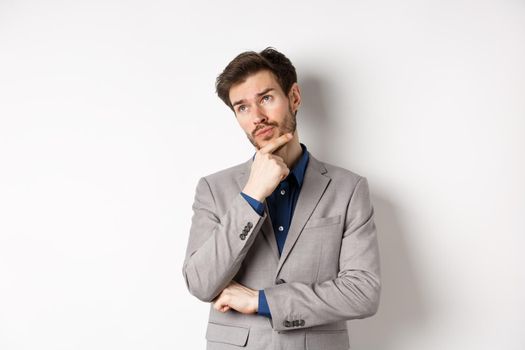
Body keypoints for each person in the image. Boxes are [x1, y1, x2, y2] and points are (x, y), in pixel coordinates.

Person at [182, 47, 381, 350]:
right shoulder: (213, 189)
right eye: (243, 107)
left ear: (295, 97)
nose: (257, 117)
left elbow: (363, 293)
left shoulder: (349, 189)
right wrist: (251, 195)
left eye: (266, 98)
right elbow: (200, 283)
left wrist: (260, 301)